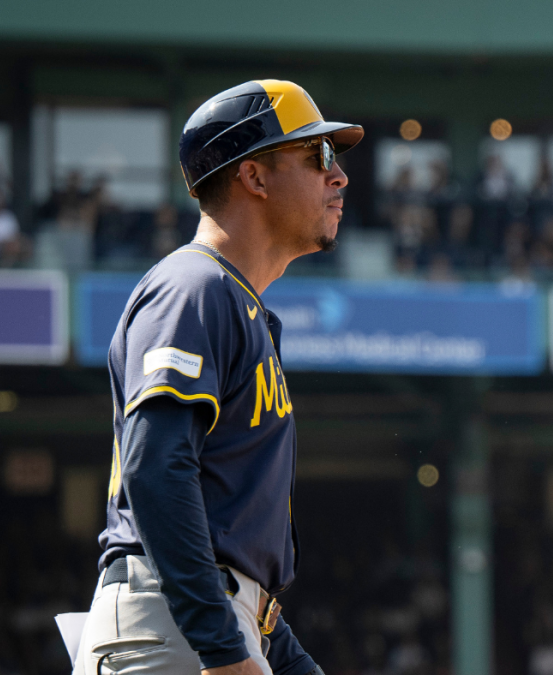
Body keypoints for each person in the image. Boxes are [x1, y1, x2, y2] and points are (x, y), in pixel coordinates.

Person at [73, 79, 363, 675]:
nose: (339, 177)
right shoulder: (192, 286)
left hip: (216, 620)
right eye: (318, 156)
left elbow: (233, 552)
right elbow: (155, 466)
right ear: (253, 177)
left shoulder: (237, 303)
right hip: (175, 627)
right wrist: (223, 645)